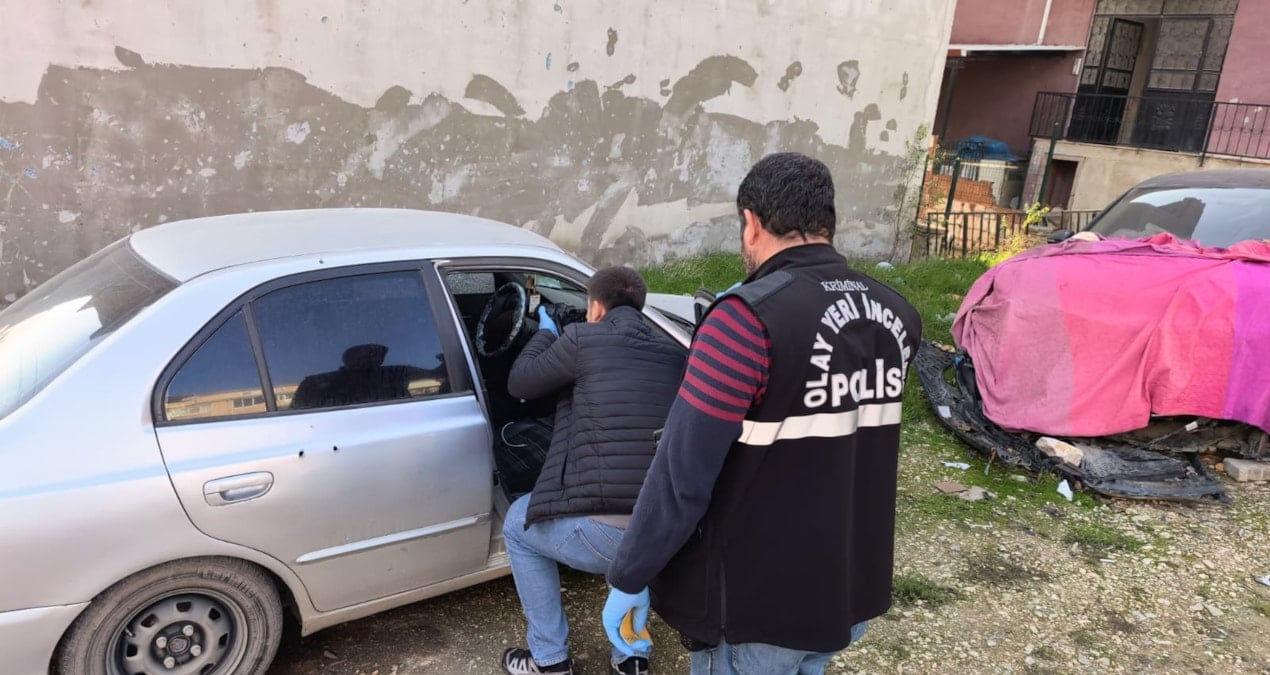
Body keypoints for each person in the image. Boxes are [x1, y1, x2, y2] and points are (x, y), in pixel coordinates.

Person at [601, 152, 923, 674]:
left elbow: (682, 478)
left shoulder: (744, 322)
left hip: (757, 607)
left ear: (751, 223)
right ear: (827, 221)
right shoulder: (897, 314)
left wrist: (629, 574)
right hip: (843, 590)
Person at [500, 266, 687, 675]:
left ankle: (549, 659)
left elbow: (521, 383)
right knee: (629, 517)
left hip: (606, 536)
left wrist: (545, 333)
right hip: (660, 532)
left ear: (596, 308)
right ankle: (631, 658)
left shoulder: (581, 339)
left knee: (516, 524)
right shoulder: (674, 353)